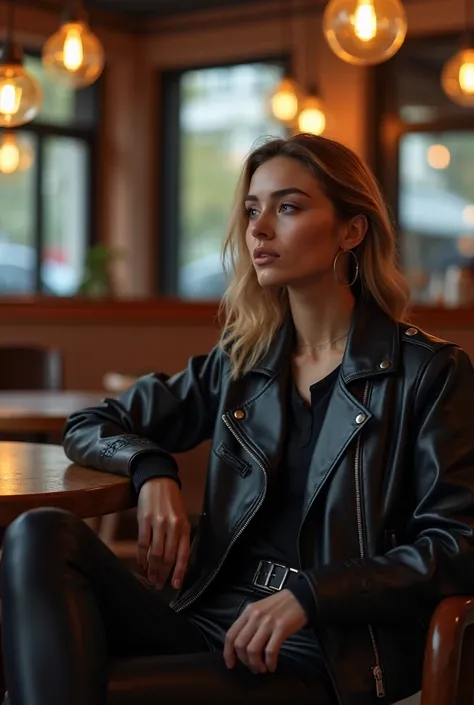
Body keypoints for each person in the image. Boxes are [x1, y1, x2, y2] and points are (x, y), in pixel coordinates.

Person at [2, 133, 474, 705]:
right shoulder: (244, 360)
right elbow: (91, 423)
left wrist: (311, 595)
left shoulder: (429, 373)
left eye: (288, 207)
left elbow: (456, 545)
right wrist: (152, 471)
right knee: (39, 534)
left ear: (352, 230)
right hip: (208, 616)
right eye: (253, 209)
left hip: (321, 648)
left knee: (82, 686)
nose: (259, 227)